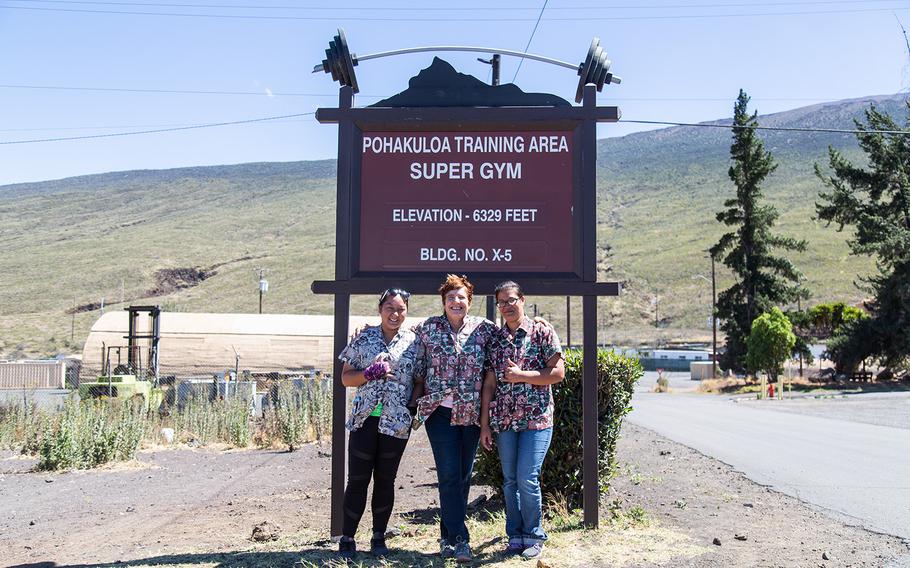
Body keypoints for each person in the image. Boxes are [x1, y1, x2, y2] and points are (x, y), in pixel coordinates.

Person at [413, 274, 503, 563]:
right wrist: (363, 330)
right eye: (451, 297)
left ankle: (446, 537)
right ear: (443, 301)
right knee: (449, 474)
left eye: (461, 297)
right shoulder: (427, 328)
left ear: (469, 301)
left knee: (462, 477)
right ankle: (461, 539)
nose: (456, 301)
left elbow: (508, 345)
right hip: (439, 412)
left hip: (472, 412)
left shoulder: (485, 329)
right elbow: (402, 342)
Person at [480, 280, 565, 560]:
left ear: (523, 300)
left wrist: (522, 376)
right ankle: (514, 535)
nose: (506, 306)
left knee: (527, 478)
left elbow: (557, 373)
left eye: (511, 300)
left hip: (537, 419)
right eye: (501, 302)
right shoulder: (496, 339)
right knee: (510, 481)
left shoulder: (542, 331)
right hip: (505, 420)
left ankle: (534, 534)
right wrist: (484, 423)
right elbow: (490, 383)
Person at [336, 288, 423, 559]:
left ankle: (378, 536)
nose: (395, 314)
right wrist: (367, 373)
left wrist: (413, 405)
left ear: (406, 311)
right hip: (366, 419)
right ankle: (347, 537)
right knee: (358, 480)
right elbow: (345, 378)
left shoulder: (415, 342)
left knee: (386, 480)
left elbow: (420, 379)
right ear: (380, 309)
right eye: (390, 308)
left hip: (396, 423)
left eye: (400, 309)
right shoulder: (364, 337)